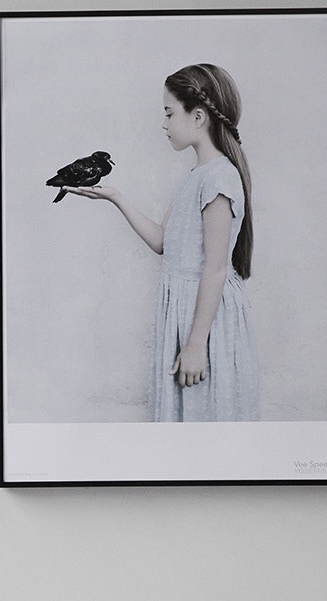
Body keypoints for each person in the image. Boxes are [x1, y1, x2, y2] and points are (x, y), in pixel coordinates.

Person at [68, 63, 259, 423]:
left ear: (198, 116)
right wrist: (114, 196)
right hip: (185, 312)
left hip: (204, 321)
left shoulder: (218, 178)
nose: (164, 123)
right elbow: (163, 243)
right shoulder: (195, 177)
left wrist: (195, 344)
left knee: (208, 420)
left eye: (170, 113)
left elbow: (216, 269)